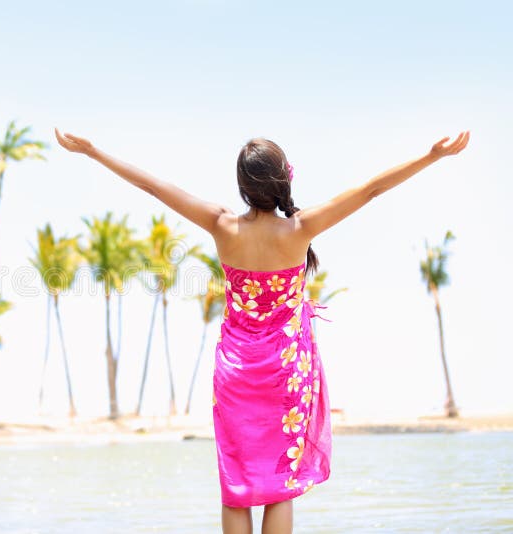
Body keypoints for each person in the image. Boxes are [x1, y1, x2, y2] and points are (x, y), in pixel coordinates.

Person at [54, 128, 470, 533]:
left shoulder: (221, 225)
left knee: (235, 486)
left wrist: (94, 152)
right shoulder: (299, 229)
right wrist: (430, 157)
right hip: (286, 370)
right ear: (284, 178)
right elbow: (369, 191)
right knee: (278, 488)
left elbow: (155, 188)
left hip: (235, 371)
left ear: (242, 186)